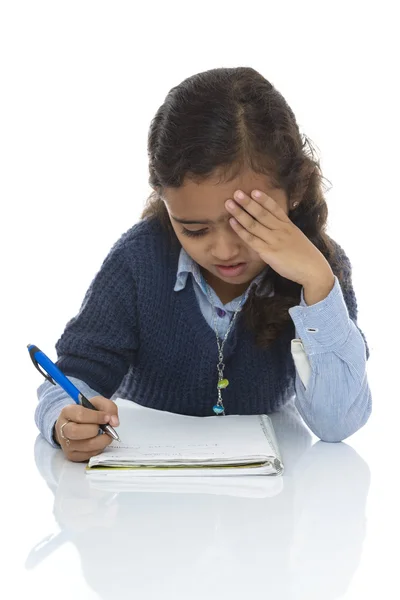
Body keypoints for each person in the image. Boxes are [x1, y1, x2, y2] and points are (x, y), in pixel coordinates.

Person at [35, 66, 372, 462]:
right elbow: (73, 375)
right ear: (164, 201)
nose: (225, 251)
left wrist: (318, 285)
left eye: (249, 225)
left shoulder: (321, 270)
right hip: (146, 491)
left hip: (269, 498)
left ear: (295, 190)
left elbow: (337, 425)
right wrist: (65, 420)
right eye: (194, 230)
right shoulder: (138, 260)